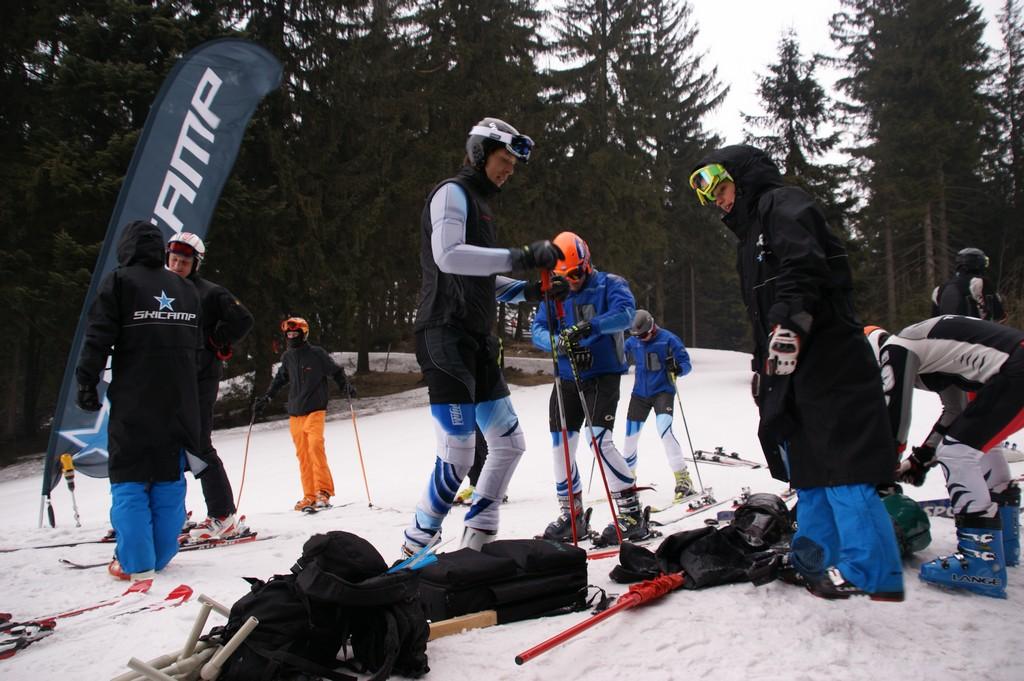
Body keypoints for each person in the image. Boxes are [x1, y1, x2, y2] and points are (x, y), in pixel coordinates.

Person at [689, 145, 904, 601]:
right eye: (714, 199)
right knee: (807, 472)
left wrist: (790, 325)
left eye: (723, 190)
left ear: (742, 181)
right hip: (791, 368)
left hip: (829, 359)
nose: (721, 203)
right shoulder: (749, 243)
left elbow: (804, 266)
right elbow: (760, 313)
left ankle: (871, 573)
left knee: (844, 469)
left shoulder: (782, 204)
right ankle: (812, 561)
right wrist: (764, 368)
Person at [402, 116, 563, 556]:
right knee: (457, 455)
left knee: (509, 445)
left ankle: (479, 538)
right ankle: (416, 546)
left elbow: (481, 279)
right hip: (443, 334)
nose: (509, 169)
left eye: (513, 163)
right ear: (479, 153)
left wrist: (530, 289)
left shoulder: (484, 206)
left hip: (477, 339)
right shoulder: (452, 193)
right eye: (503, 159)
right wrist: (522, 255)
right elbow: (450, 257)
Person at [75, 221, 202, 581]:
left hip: (135, 398)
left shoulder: (119, 281)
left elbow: (98, 335)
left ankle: (136, 562)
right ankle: (161, 555)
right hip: (180, 401)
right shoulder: (184, 288)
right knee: (167, 477)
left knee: (130, 476)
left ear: (126, 248)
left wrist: (87, 382)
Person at [865, 317, 1023, 598]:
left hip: (1014, 370)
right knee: (980, 447)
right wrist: (920, 459)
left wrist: (882, 470)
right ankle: (1004, 544)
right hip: (1009, 367)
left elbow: (894, 417)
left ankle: (980, 562)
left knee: (957, 453)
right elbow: (955, 412)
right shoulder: (928, 347)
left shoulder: (896, 347)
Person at [532, 231, 643, 547]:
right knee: (561, 445)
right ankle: (572, 515)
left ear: (587, 264)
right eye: (565, 277)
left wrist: (589, 329)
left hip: (602, 375)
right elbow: (537, 328)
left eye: (577, 273)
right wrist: (555, 343)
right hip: (567, 376)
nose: (573, 281)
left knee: (600, 442)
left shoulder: (611, 284)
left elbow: (625, 315)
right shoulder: (556, 293)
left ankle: (631, 512)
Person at [165, 232, 254, 540]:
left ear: (196, 263)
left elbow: (243, 320)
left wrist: (216, 340)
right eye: (173, 259)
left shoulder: (210, 292)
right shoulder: (161, 290)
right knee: (166, 445)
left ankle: (223, 514)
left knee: (198, 445)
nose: (177, 265)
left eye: (184, 262)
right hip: (170, 380)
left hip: (200, 381)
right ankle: (172, 515)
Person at [253, 317, 356, 512]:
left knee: (315, 445)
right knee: (303, 454)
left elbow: (336, 371)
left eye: (295, 334)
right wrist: (267, 398)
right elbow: (280, 379)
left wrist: (345, 386)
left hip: (315, 408)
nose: (291, 337)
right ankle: (309, 495)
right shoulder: (288, 357)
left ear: (304, 334)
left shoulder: (317, 354)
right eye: (288, 334)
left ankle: (323, 492)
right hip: (295, 411)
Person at [622, 309, 695, 503]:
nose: (641, 339)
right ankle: (628, 479)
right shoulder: (633, 341)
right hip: (639, 394)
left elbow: (686, 364)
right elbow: (619, 356)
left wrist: (678, 368)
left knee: (665, 431)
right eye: (637, 336)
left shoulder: (668, 339)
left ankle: (683, 479)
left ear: (652, 327)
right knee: (630, 438)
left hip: (663, 392)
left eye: (644, 335)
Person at [931, 247, 1006, 321]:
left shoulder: (939, 289)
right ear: (979, 263)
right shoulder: (980, 282)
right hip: (975, 331)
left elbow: (934, 320)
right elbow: (998, 315)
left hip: (945, 331)